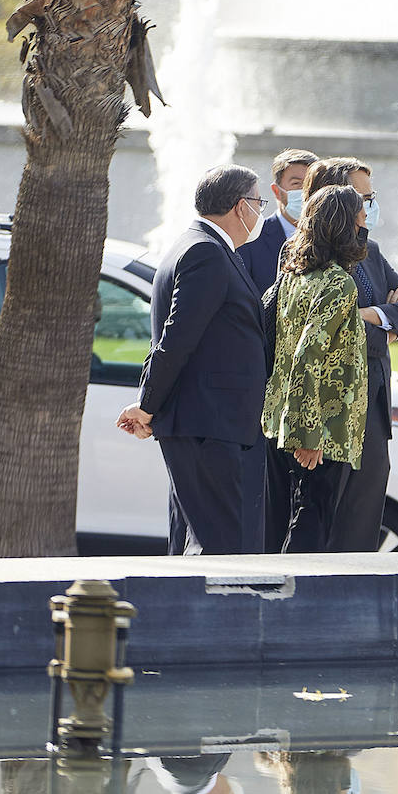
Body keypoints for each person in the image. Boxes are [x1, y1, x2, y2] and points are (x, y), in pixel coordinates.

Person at [116, 165, 270, 555]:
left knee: (197, 542)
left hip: (212, 424)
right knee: (220, 550)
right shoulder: (206, 252)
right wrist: (148, 405)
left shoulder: (202, 246)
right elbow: (175, 341)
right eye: (258, 202)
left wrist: (149, 404)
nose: (261, 212)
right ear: (240, 207)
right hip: (210, 426)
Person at [296, 156, 398, 553]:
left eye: (372, 198)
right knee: (320, 525)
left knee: (362, 522)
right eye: (363, 198)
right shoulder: (305, 256)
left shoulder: (369, 250)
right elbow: (312, 341)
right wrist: (381, 333)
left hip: (370, 407)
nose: (370, 208)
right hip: (328, 413)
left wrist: (373, 315)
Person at [262, 184, 370, 552]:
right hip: (322, 428)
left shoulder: (295, 276)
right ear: (344, 226)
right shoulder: (339, 284)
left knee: (293, 516)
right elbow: (309, 359)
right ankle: (295, 602)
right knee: (311, 521)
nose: (365, 225)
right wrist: (309, 436)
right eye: (360, 218)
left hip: (284, 418)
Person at [238, 147, 318, 296]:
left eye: (312, 184)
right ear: (277, 191)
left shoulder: (333, 239)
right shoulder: (251, 240)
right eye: (297, 184)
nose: (306, 192)